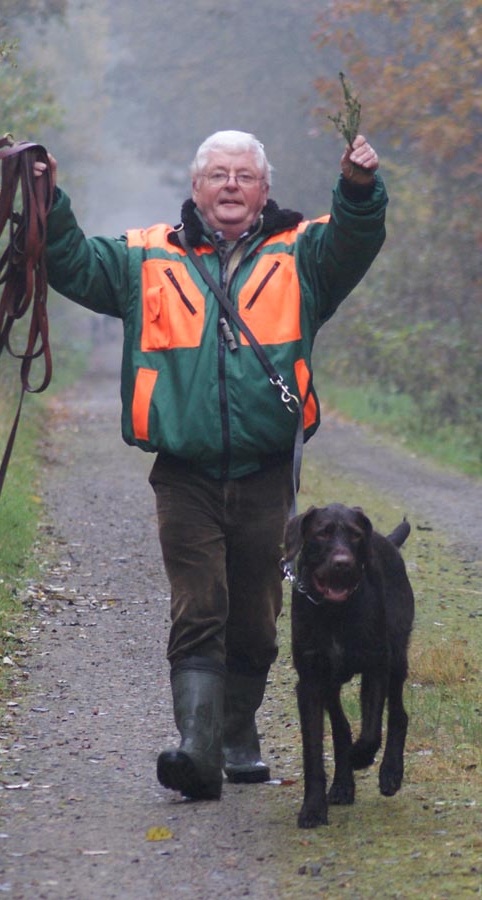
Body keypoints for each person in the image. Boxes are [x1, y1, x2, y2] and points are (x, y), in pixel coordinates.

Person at [35, 130, 387, 801]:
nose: (230, 185)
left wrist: (359, 188)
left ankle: (236, 734)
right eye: (218, 174)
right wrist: (47, 199)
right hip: (185, 472)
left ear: (263, 190)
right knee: (199, 604)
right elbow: (72, 262)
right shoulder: (146, 256)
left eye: (244, 175)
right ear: (196, 187)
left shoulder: (303, 254)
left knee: (255, 616)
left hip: (265, 472)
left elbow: (355, 240)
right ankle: (197, 750)